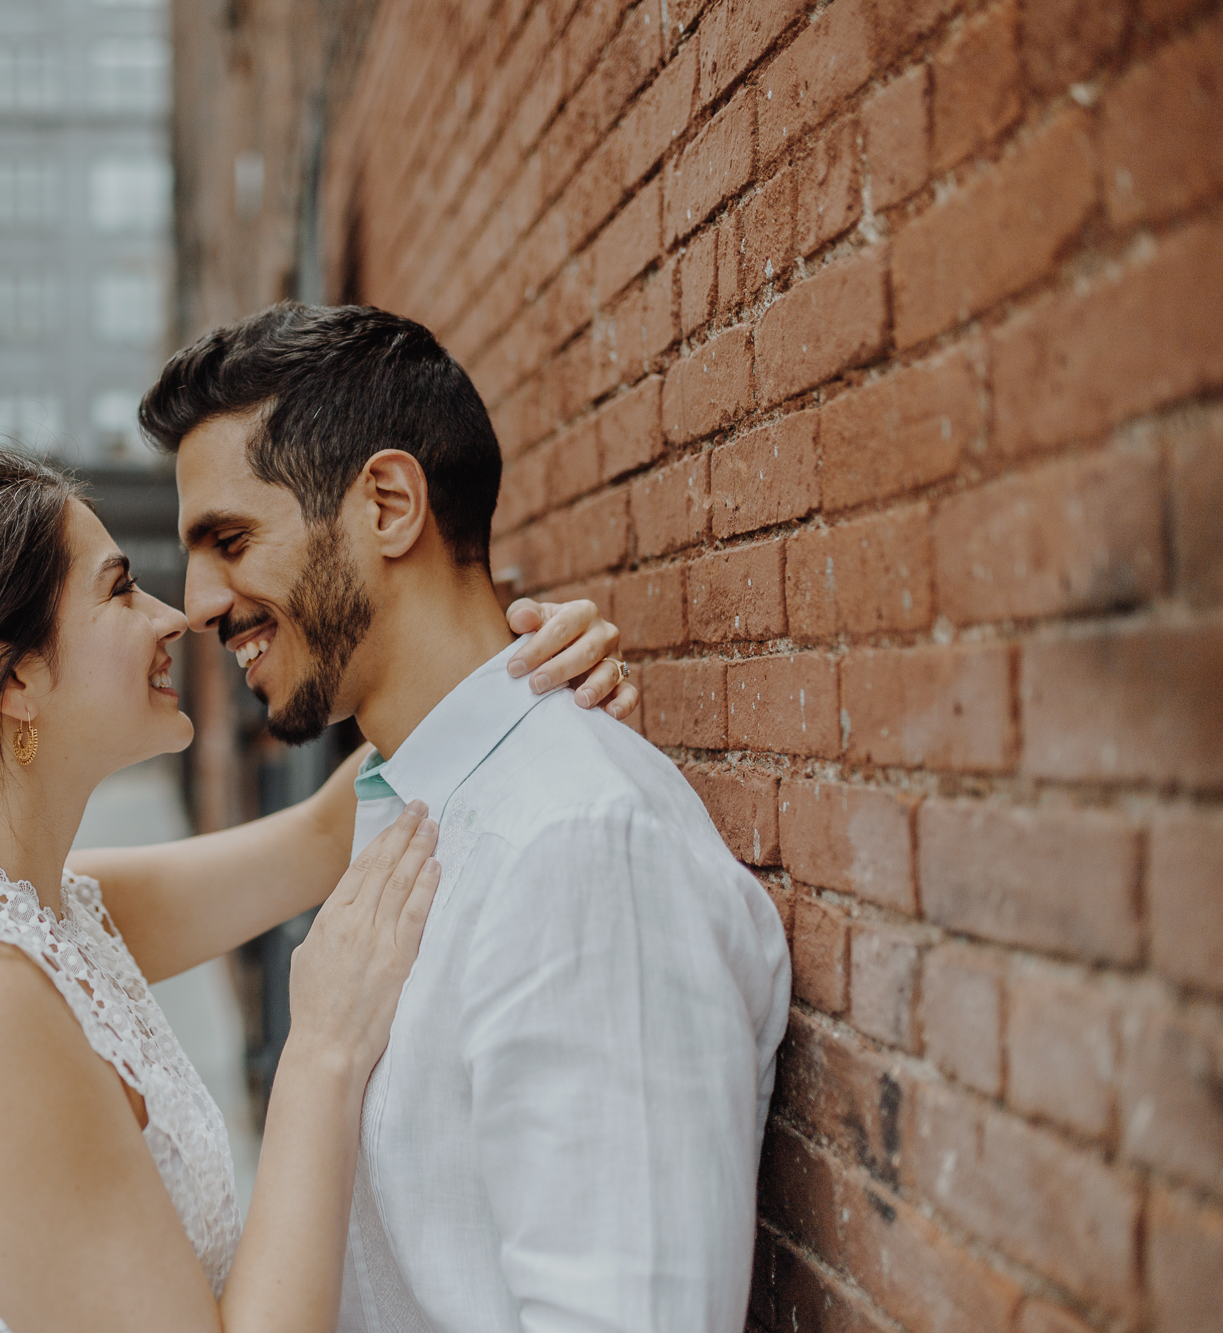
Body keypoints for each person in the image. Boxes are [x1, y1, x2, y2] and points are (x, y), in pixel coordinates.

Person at [0, 448, 632, 1331]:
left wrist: (522, 665)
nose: (173, 616)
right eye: (119, 591)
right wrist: (322, 1053)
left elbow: (320, 836)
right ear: (8, 681)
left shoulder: (43, 910)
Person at [104, 302, 791, 1333]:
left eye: (232, 539)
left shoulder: (578, 846)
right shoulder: (410, 797)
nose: (197, 602)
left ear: (387, 503)